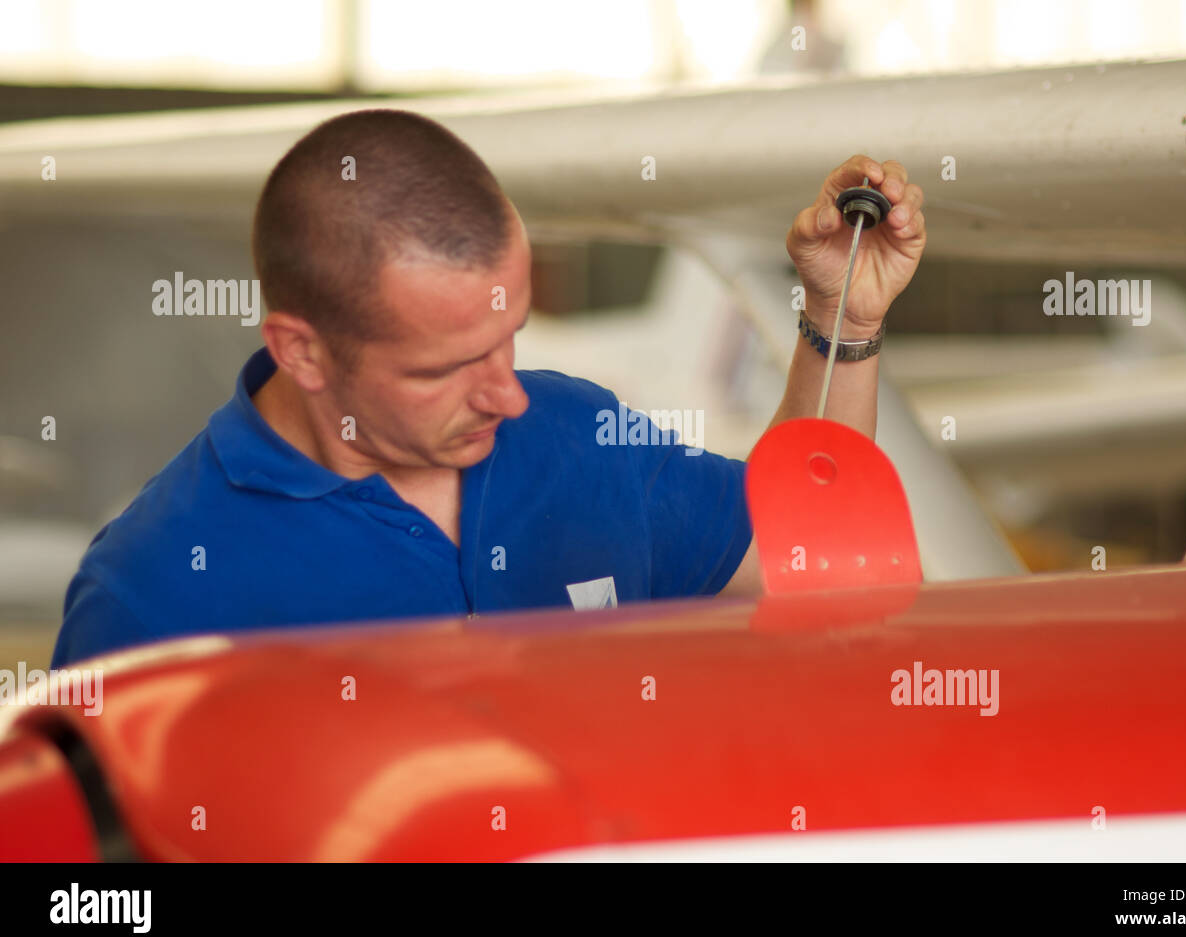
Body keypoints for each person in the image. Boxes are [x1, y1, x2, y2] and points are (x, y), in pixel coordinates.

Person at [52, 109, 925, 666]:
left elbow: (806, 562)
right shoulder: (154, 591)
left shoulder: (574, 434)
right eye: (444, 368)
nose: (508, 397)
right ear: (302, 353)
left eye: (508, 341)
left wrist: (840, 320)